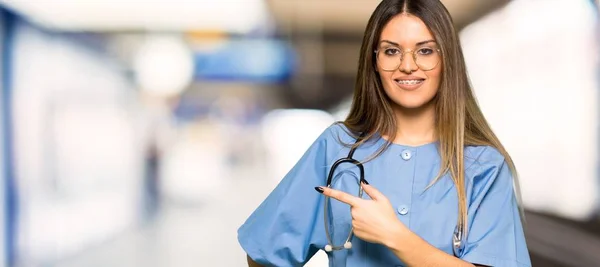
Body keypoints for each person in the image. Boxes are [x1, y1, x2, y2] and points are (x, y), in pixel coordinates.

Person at [237, 0, 531, 266]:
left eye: (425, 50)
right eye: (391, 51)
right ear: (374, 61)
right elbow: (263, 254)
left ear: (447, 60)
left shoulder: (484, 166)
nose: (407, 65)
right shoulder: (337, 148)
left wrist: (395, 236)